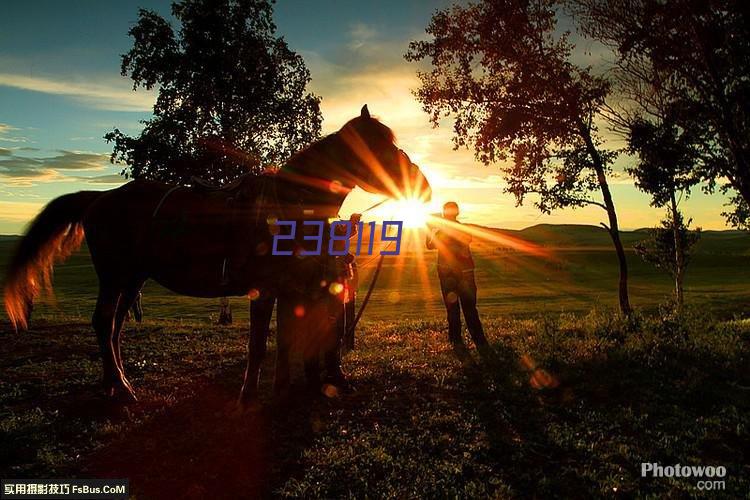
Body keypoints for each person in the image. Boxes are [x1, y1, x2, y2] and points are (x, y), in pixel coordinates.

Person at [426, 201, 489, 358]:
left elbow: (430, 245)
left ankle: (457, 341)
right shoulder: (461, 229)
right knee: (469, 308)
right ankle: (478, 341)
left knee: (453, 308)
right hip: (464, 272)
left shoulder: (445, 231)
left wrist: (430, 229)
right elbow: (431, 245)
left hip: (450, 273)